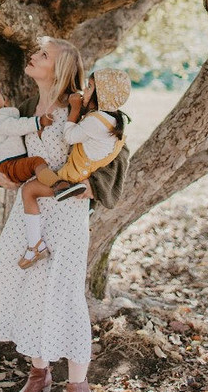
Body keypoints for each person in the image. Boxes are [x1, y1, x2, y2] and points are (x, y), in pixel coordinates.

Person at [0, 38, 129, 392]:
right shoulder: (25, 106)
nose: (33, 57)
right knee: (29, 288)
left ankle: (78, 389)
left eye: (43, 55)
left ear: (63, 66)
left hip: (66, 211)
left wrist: (96, 189)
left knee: (64, 293)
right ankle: (39, 375)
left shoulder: (82, 103)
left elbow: (116, 151)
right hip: (30, 210)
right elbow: (6, 149)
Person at [18, 68, 131, 268]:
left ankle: (35, 246)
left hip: (72, 176)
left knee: (29, 190)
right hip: (83, 172)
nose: (84, 90)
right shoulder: (114, 120)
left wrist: (75, 109)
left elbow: (69, 137)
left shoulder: (96, 120)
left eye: (89, 87)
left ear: (101, 94)